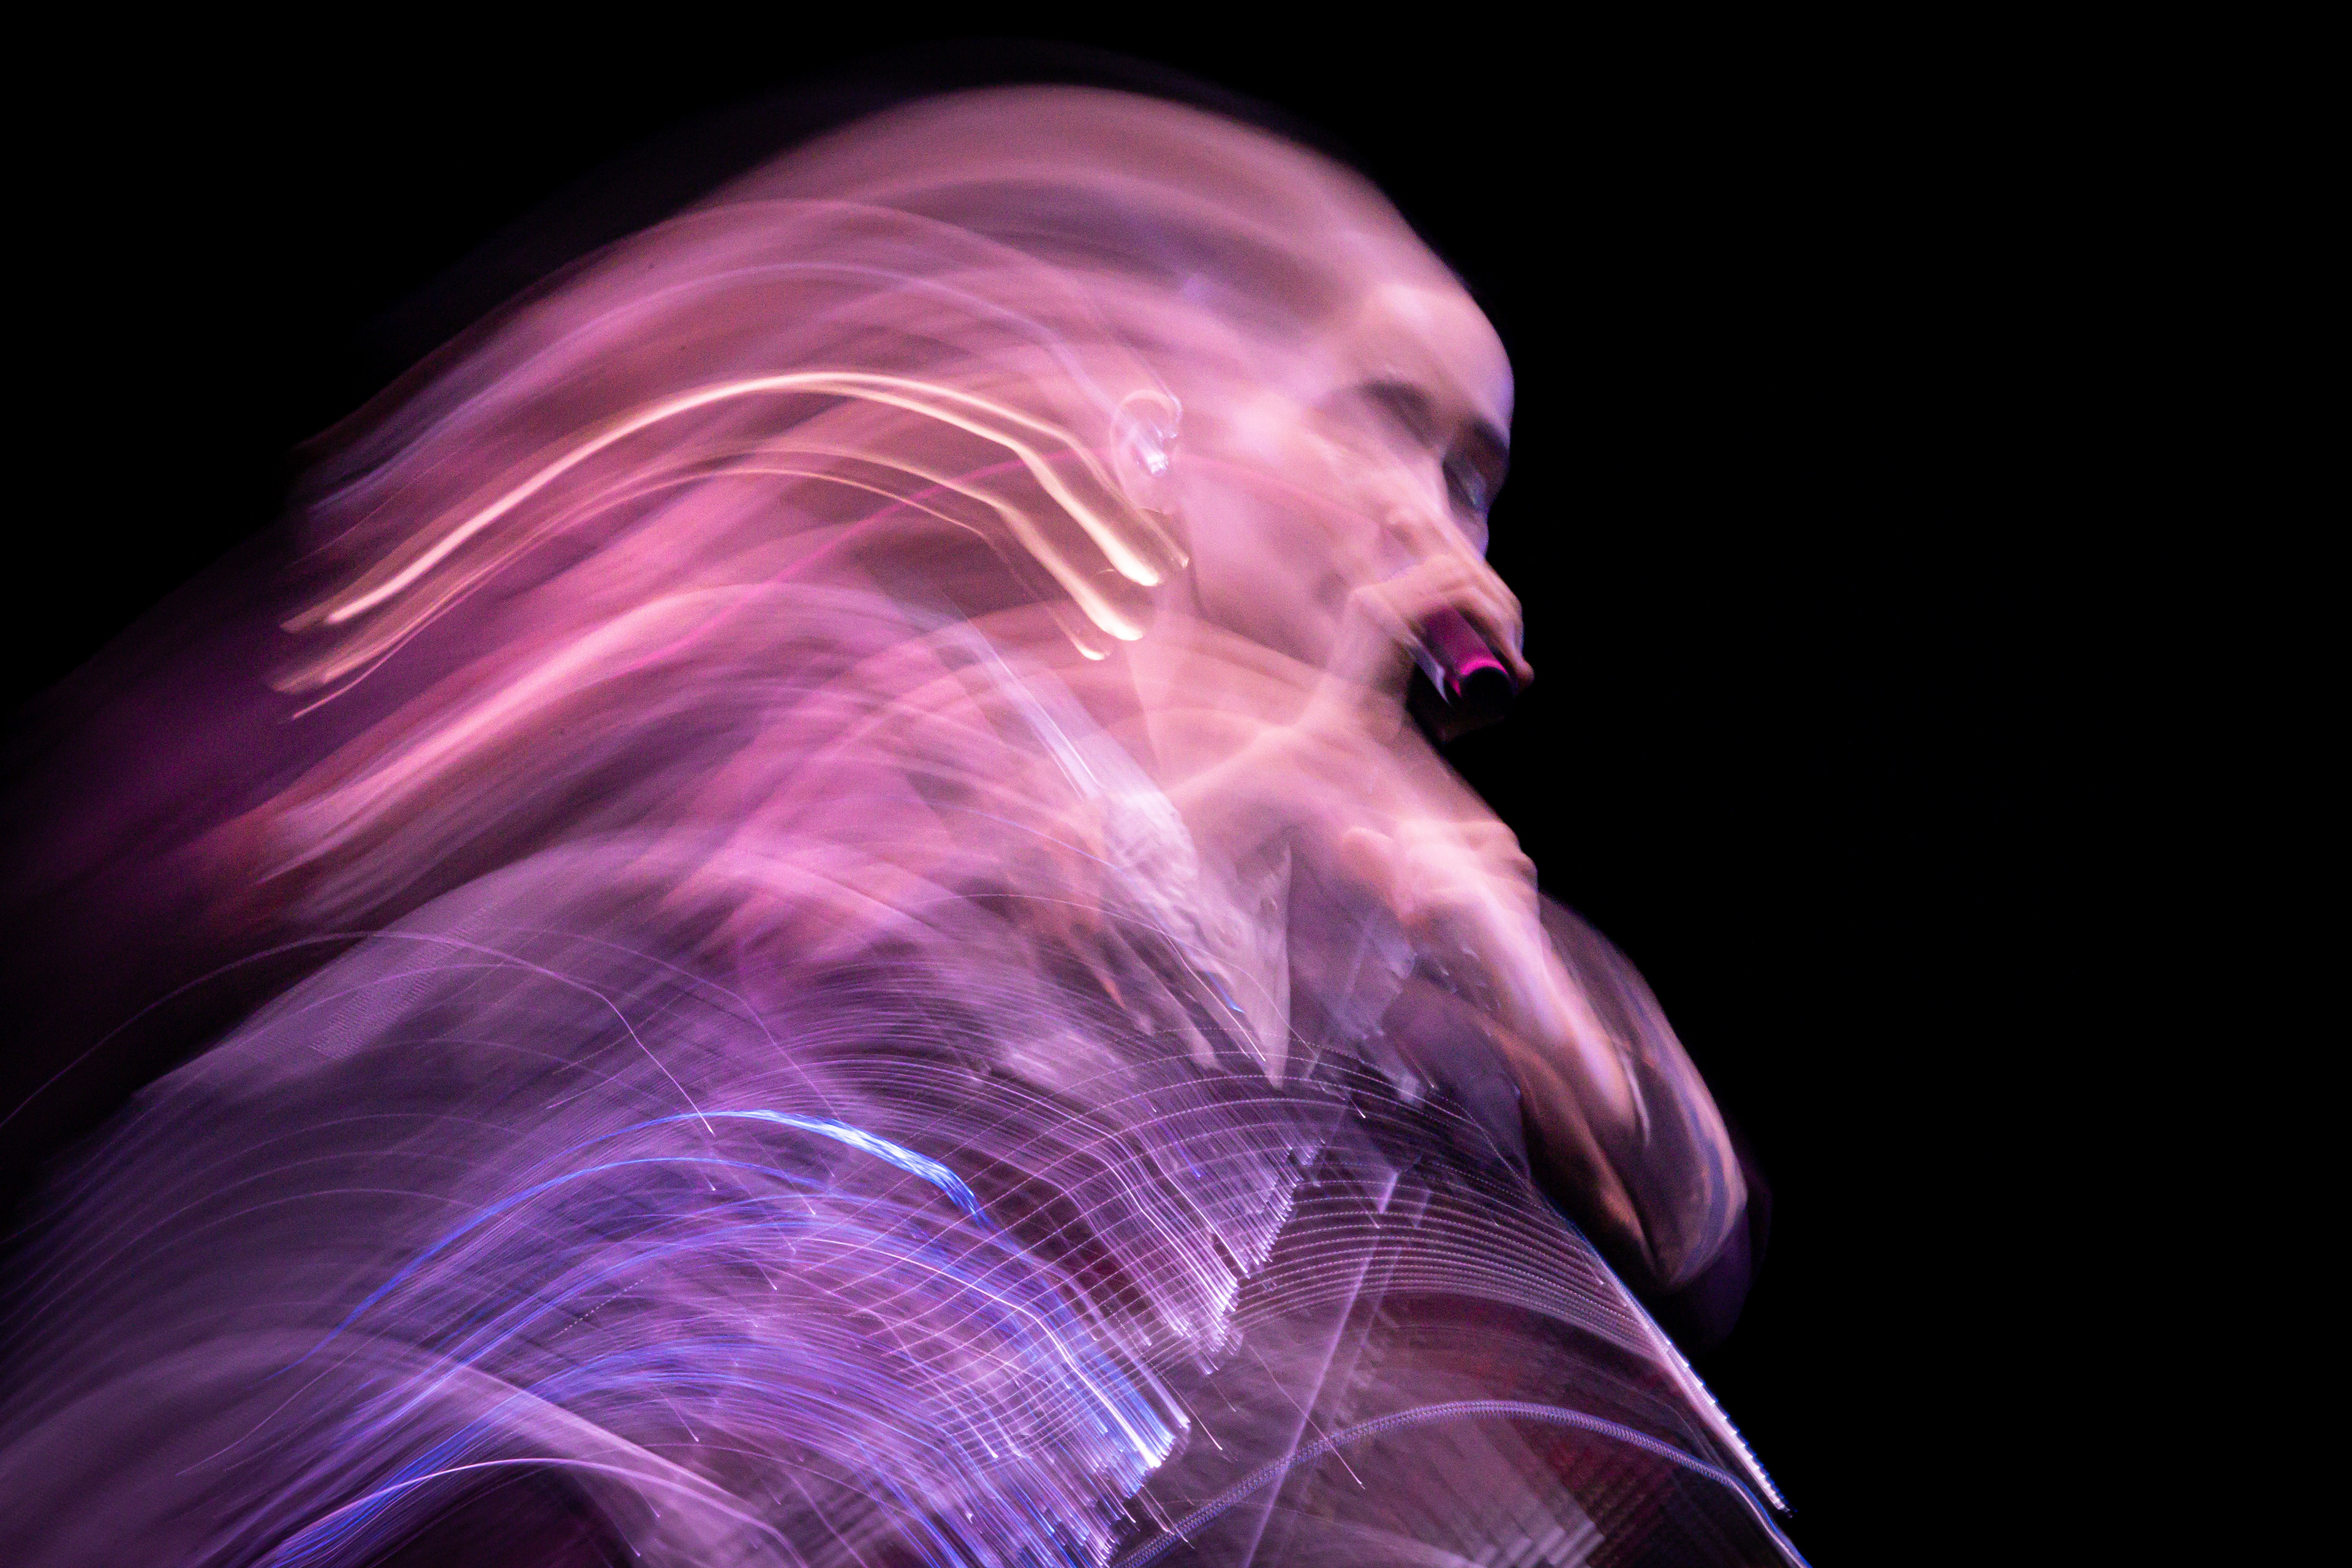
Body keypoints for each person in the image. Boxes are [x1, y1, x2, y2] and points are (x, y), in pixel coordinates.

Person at [0, 88, 1796, 1566]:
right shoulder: (859, 767)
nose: (1454, 563)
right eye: (1392, 433)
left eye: (1472, 484)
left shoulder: (1318, 935)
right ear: (1144, 406)